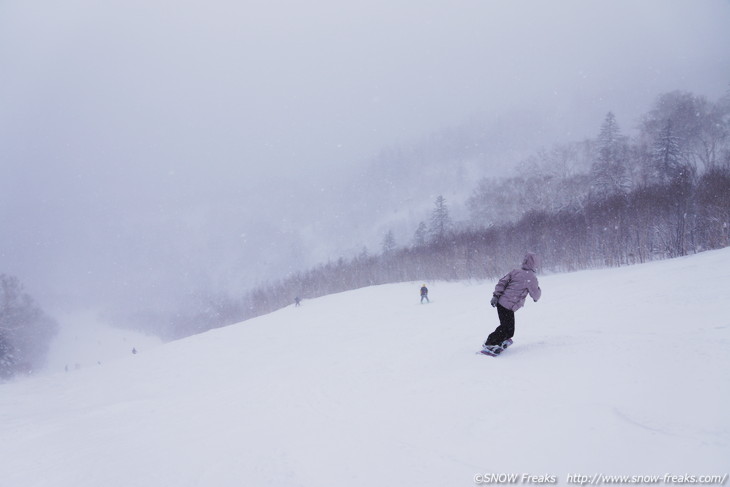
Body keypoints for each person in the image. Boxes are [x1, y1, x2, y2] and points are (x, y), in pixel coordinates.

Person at [482, 253, 542, 354]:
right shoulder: (531, 277)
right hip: (508, 306)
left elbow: (502, 282)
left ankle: (498, 340)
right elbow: (535, 293)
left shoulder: (515, 271)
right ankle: (490, 343)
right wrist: (536, 296)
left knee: (507, 327)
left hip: (501, 303)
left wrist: (496, 296)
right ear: (534, 264)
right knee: (507, 329)